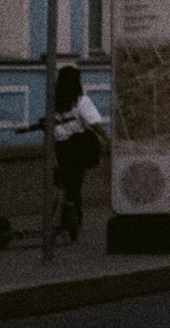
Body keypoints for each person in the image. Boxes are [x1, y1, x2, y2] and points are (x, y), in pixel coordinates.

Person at [23, 66, 107, 244]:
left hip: (61, 147)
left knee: (65, 181)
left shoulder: (54, 101)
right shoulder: (81, 101)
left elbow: (51, 127)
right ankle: (73, 219)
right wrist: (107, 139)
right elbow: (94, 123)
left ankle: (65, 216)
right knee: (75, 184)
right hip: (79, 146)